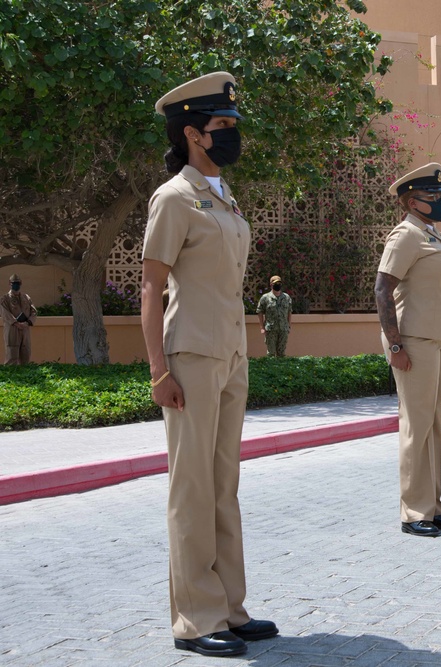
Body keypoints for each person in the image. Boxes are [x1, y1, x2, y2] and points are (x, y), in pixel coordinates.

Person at [139, 72, 277, 657]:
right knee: (192, 488)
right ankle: (196, 619)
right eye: (223, 127)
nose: (232, 136)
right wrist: (158, 371)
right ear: (195, 134)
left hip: (230, 353)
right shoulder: (174, 198)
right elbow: (151, 288)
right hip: (190, 356)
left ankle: (230, 608)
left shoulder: (223, 198)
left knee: (224, 486)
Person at [375, 162, 441, 537]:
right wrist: (395, 344)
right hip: (412, 341)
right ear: (413, 201)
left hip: (437, 339)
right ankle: (414, 512)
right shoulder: (406, 235)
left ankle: (433, 505)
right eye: (434, 197)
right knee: (416, 425)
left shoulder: (433, 235)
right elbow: (382, 289)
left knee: (434, 423)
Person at [1, 273, 36, 365]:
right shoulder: (5, 299)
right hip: (12, 329)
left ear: (21, 283)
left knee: (26, 352)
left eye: (17, 283)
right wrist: (16, 323)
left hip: (25, 328)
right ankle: (11, 376)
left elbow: (33, 311)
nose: (16, 285)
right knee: (12, 353)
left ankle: (24, 376)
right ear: (9, 283)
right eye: (13, 283)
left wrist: (28, 323)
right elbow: (5, 313)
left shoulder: (26, 297)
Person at [256, 275, 293, 357]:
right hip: (271, 329)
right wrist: (262, 327)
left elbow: (289, 311)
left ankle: (281, 369)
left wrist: (289, 325)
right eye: (275, 283)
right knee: (271, 354)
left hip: (283, 328)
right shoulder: (265, 298)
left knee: (282, 354)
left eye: (279, 283)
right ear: (271, 285)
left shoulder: (286, 297)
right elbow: (259, 312)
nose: (278, 285)